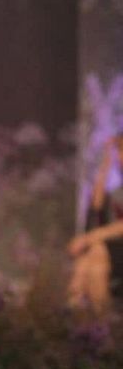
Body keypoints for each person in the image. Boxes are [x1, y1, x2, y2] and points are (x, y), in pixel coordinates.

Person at [67, 131, 123, 312]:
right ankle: (85, 315)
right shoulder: (117, 192)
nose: (120, 157)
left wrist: (88, 238)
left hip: (115, 248)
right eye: (119, 151)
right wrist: (105, 163)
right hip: (112, 248)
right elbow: (96, 205)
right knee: (87, 261)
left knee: (96, 251)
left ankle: (98, 318)